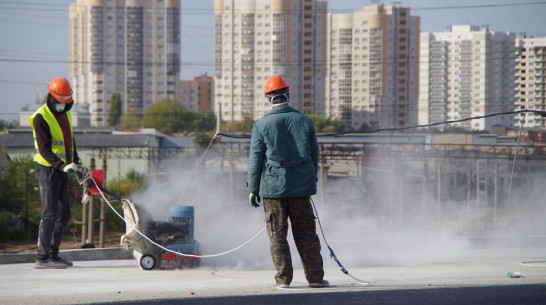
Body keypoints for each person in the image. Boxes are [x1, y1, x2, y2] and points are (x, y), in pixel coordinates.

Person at [247, 75, 328, 289]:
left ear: (268, 98)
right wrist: (312, 181)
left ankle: (283, 279)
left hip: (273, 190)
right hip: (301, 188)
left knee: (277, 235)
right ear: (287, 94)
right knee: (307, 235)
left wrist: (253, 189)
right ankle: (316, 278)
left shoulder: (261, 125)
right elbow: (314, 155)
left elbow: (255, 159)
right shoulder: (305, 121)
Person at [29, 77, 80, 269]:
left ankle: (52, 254)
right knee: (49, 213)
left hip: (62, 169)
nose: (64, 106)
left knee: (64, 213)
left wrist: (76, 161)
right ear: (52, 97)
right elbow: (45, 149)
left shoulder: (65, 113)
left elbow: (69, 141)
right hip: (47, 169)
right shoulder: (40, 117)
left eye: (67, 102)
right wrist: (61, 166)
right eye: (61, 102)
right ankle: (41, 258)